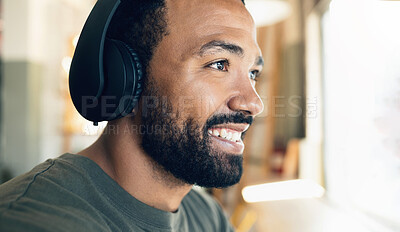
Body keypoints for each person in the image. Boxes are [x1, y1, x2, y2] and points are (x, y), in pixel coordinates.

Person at [0, 0, 264, 231]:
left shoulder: (207, 216)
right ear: (125, 77)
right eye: (219, 64)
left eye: (253, 73)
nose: (254, 103)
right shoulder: (35, 222)